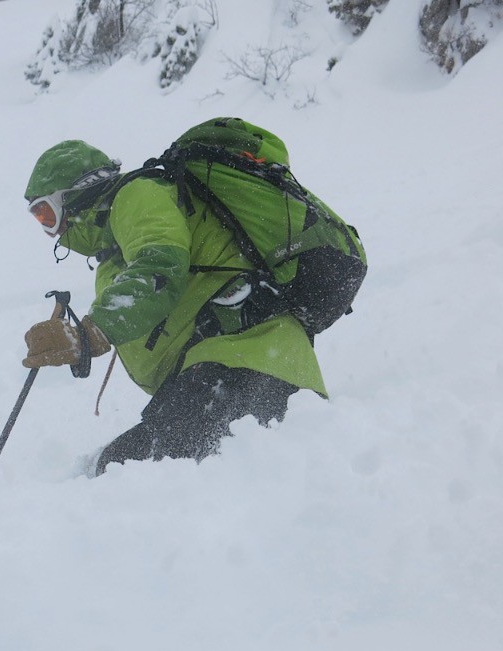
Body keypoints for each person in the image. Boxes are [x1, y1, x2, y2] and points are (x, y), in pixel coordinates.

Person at [22, 126, 338, 476]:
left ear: (76, 194)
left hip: (247, 360)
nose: (51, 230)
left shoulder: (135, 196)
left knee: (125, 475)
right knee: (121, 470)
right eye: (39, 220)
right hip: (230, 369)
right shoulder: (113, 255)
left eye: (46, 214)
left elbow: (160, 267)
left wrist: (92, 332)